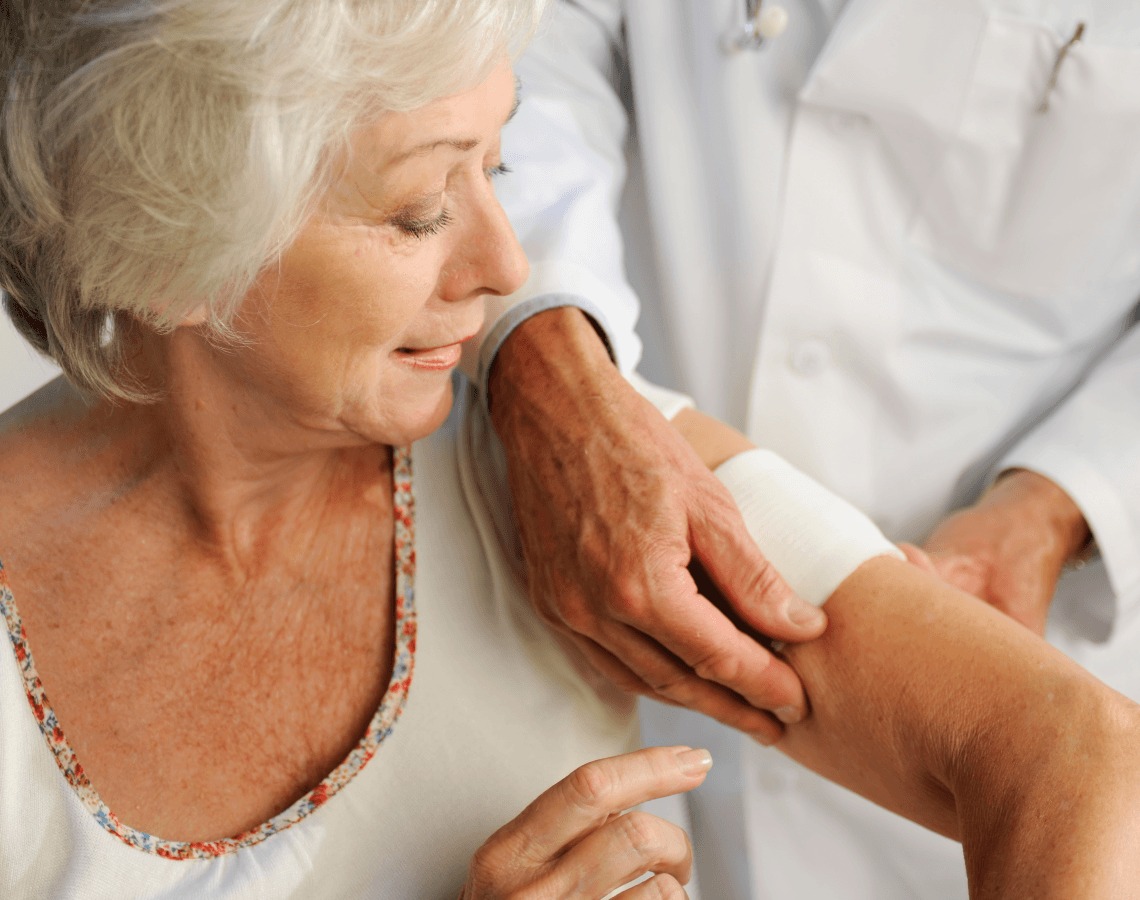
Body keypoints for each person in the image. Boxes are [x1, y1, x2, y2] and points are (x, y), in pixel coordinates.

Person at [2, 1, 1139, 898]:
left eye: (497, 168)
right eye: (416, 212)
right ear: (167, 248)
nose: (509, 268)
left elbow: (1073, 753)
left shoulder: (555, 465)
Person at [477, 1, 1140, 897]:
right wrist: (545, 356)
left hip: (1027, 578)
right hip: (605, 470)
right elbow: (521, 51)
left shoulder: (1073, 746)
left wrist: (1066, 497)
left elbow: (1078, 755)